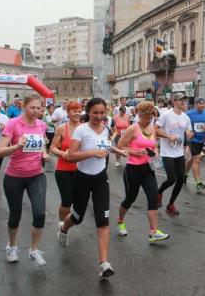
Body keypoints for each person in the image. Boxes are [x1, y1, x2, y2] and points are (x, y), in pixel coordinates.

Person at [58, 98, 127, 279]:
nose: (99, 116)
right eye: (95, 112)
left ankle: (104, 263)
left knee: (103, 220)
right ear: (88, 112)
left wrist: (119, 151)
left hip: (100, 180)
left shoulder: (105, 130)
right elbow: (70, 156)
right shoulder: (81, 130)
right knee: (77, 217)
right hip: (82, 179)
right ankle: (64, 229)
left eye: (102, 112)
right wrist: (91, 153)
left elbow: (104, 147)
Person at [0, 94, 49, 265]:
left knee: (40, 213)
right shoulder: (13, 124)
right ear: (24, 106)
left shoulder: (41, 125)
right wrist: (17, 145)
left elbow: (41, 142)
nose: (36, 111)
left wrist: (44, 152)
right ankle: (12, 246)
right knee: (15, 215)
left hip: (36, 175)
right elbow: (0, 151)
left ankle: (34, 249)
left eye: (39, 108)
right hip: (14, 177)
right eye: (32, 107)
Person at [116, 101, 169, 242]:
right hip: (133, 169)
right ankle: (120, 221)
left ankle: (153, 232)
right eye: (146, 118)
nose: (148, 121)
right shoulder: (132, 129)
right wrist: (135, 152)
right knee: (130, 199)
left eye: (151, 119)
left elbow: (154, 145)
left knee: (153, 199)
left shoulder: (152, 129)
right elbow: (120, 146)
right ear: (139, 115)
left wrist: (156, 152)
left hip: (148, 168)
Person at [155, 92, 193, 215]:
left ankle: (170, 204)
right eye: (181, 100)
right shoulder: (166, 115)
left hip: (179, 152)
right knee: (171, 179)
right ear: (175, 101)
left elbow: (189, 132)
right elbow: (155, 130)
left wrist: (189, 135)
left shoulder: (186, 117)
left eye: (185, 100)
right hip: (167, 152)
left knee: (181, 179)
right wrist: (169, 136)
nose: (183, 102)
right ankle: (159, 192)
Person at [50, 101, 82, 226]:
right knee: (67, 201)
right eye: (74, 111)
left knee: (78, 200)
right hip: (63, 169)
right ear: (68, 112)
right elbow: (52, 148)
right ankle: (63, 224)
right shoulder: (62, 128)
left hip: (81, 170)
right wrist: (63, 154)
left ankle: (70, 220)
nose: (77, 113)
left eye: (79, 111)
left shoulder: (85, 128)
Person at [185, 98, 205, 190]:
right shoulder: (189, 114)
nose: (202, 105)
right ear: (196, 104)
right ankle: (198, 182)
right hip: (192, 140)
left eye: (203, 103)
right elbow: (184, 125)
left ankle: (184, 175)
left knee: (193, 159)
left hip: (202, 139)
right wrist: (188, 132)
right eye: (200, 104)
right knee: (196, 160)